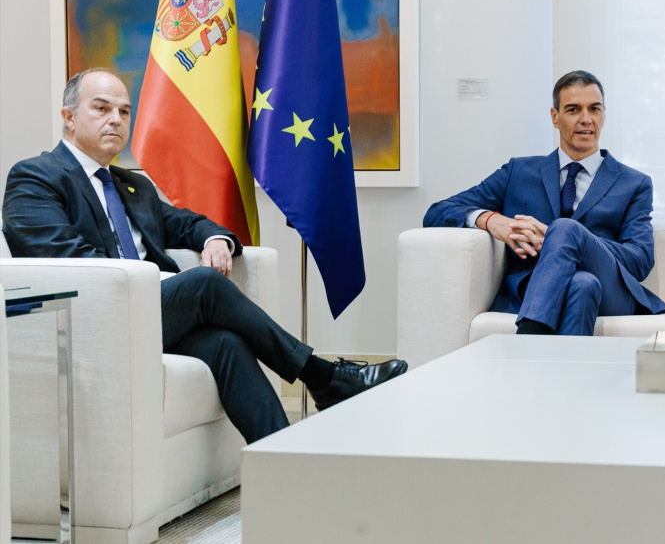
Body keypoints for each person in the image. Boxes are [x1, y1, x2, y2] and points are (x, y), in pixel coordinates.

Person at [2, 68, 407, 444]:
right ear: (69, 117)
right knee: (204, 283)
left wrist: (214, 239)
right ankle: (322, 376)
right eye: (102, 108)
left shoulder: (131, 186)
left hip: (149, 314)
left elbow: (186, 223)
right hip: (94, 316)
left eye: (124, 111)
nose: (116, 120)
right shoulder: (35, 177)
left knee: (225, 343)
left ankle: (282, 460)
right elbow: (67, 260)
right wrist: (163, 284)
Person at [423, 70, 665, 335]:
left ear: (604, 115)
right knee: (582, 284)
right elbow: (436, 212)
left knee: (565, 229)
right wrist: (490, 219)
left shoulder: (634, 183)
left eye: (594, 109)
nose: (586, 119)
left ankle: (528, 336)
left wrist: (572, 240)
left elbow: (640, 261)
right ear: (555, 117)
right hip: (536, 286)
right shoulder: (518, 172)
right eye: (573, 110)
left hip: (611, 291)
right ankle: (549, 360)